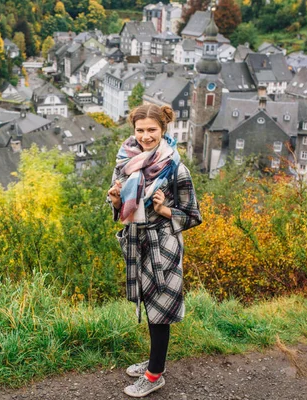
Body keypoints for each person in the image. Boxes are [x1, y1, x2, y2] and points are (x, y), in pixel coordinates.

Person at [107, 104, 202, 398]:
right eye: (140, 130)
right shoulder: (124, 162)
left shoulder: (176, 168)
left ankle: (154, 375)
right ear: (132, 130)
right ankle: (154, 361)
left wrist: (165, 210)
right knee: (151, 306)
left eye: (152, 130)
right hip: (138, 242)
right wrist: (114, 201)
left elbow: (193, 215)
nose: (145, 136)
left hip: (165, 246)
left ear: (163, 130)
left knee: (160, 311)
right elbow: (120, 208)